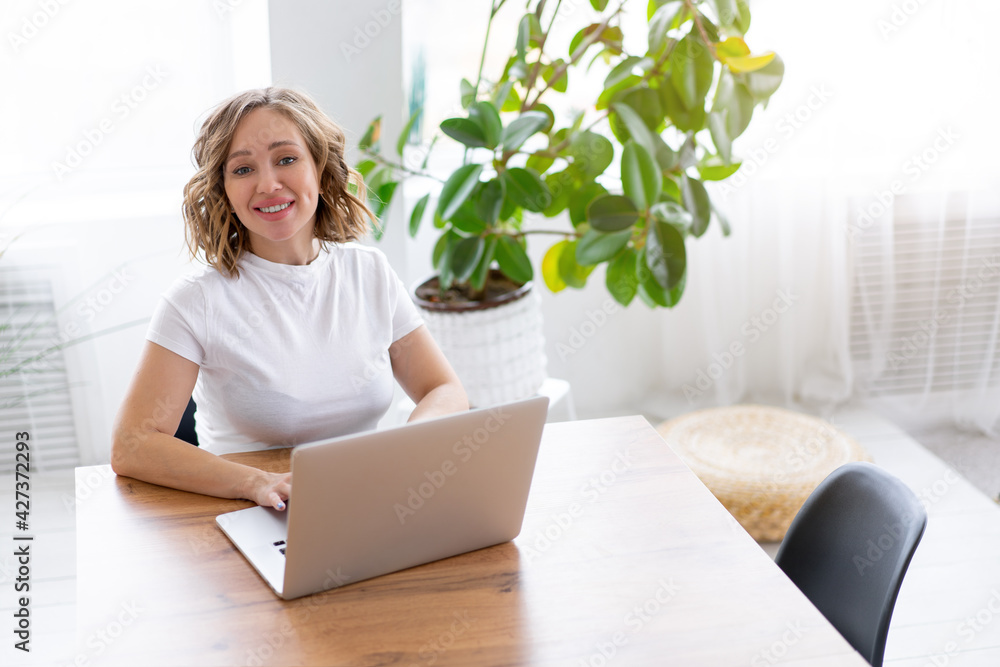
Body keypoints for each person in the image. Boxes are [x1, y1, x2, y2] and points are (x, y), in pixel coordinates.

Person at [111, 87, 468, 510]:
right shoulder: (194, 302)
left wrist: (408, 444)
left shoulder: (369, 272)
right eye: (242, 169)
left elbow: (444, 389)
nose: (268, 184)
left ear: (318, 166)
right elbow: (132, 445)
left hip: (373, 498)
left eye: (286, 159)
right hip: (257, 511)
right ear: (223, 188)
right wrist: (257, 483)